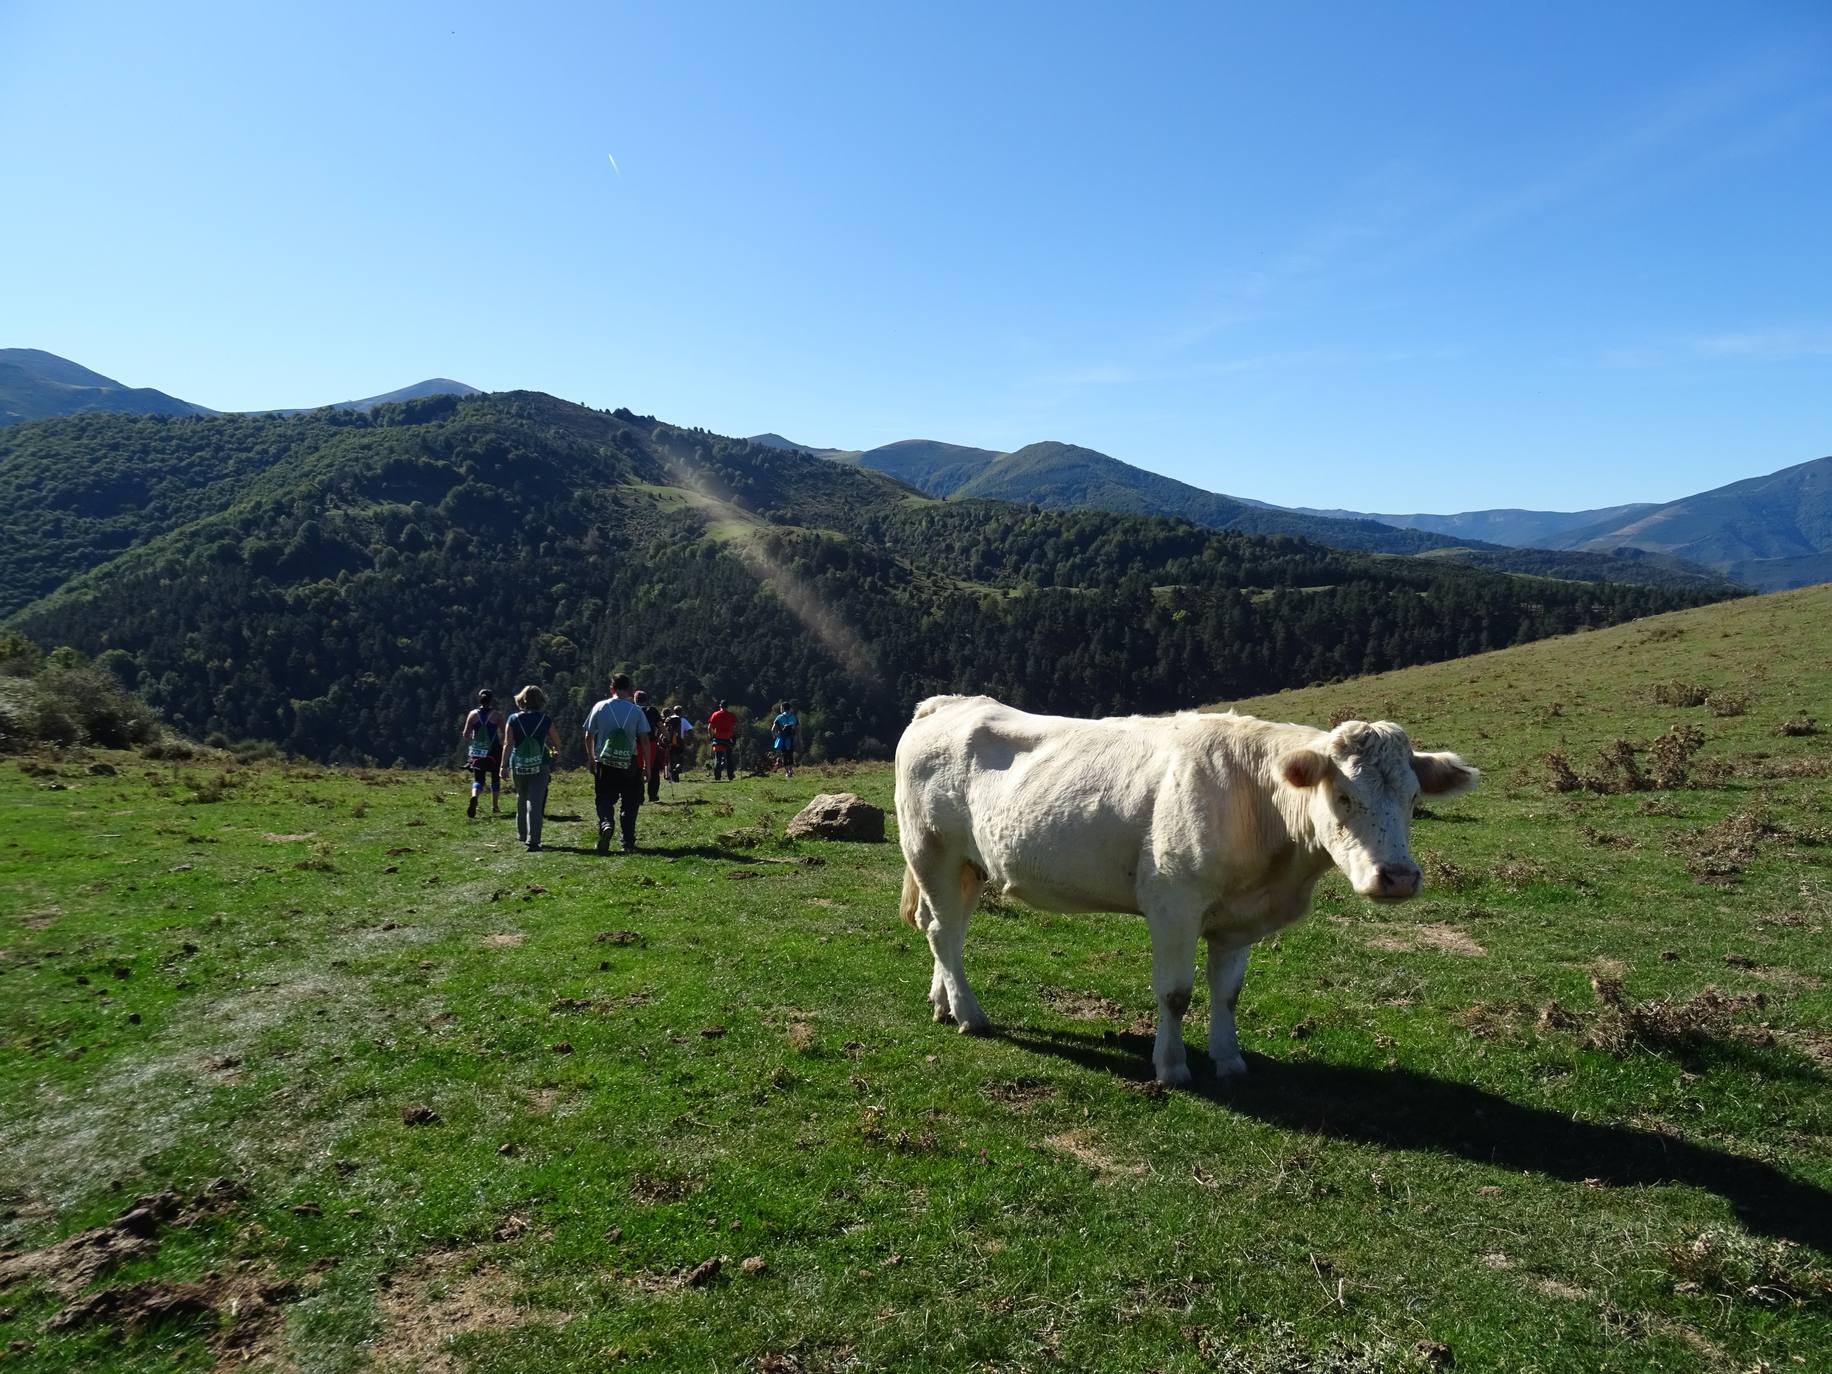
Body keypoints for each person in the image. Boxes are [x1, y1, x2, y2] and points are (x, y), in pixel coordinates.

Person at [583, 672, 652, 854]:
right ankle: (628, 841)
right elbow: (644, 741)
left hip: (604, 762)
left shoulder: (599, 707)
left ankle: (606, 823)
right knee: (630, 802)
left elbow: (589, 735)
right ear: (629, 690)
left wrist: (591, 759)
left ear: (611, 688)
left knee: (604, 797)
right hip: (628, 762)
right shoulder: (636, 711)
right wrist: (647, 767)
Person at [502, 684, 561, 852]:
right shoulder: (545, 720)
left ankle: (521, 834)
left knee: (521, 796)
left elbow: (508, 743)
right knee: (535, 801)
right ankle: (533, 840)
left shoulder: (513, 719)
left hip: (518, 764)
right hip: (539, 763)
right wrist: (556, 752)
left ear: (522, 700)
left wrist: (503, 766)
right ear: (541, 701)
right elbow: (556, 742)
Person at [460, 689, 503, 818]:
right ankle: (495, 806)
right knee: (495, 777)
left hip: (478, 750)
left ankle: (474, 796)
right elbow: (506, 732)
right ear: (491, 700)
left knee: (479, 779)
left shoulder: (472, 714)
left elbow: (466, 734)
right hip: (493, 750)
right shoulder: (497, 715)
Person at [635, 689, 665, 802]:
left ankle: (639, 796)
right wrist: (666, 737)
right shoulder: (652, 710)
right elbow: (660, 726)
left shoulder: (633, 710)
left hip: (636, 743)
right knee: (653, 768)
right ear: (646, 700)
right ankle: (652, 795)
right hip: (651, 742)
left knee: (637, 769)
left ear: (635, 700)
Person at [707, 699, 737, 781]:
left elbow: (710, 727)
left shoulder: (715, 714)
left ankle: (717, 776)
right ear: (727, 706)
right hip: (728, 738)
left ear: (720, 706)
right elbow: (736, 726)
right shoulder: (731, 715)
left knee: (718, 758)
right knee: (729, 758)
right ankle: (730, 775)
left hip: (718, 738)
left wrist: (711, 736)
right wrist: (735, 735)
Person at [772, 699, 799, 778]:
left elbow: (773, 729)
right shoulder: (794, 717)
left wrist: (776, 736)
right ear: (789, 708)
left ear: (783, 708)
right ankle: (791, 770)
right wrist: (798, 738)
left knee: (784, 755)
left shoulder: (779, 717)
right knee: (790, 754)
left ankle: (787, 772)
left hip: (782, 738)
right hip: (791, 738)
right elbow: (798, 728)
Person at [665, 705, 692, 781]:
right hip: (680, 742)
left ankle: (671, 774)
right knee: (680, 759)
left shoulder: (669, 719)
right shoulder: (683, 720)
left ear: (674, 711)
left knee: (671, 759)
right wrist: (689, 740)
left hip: (670, 742)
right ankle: (676, 772)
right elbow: (690, 730)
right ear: (681, 712)